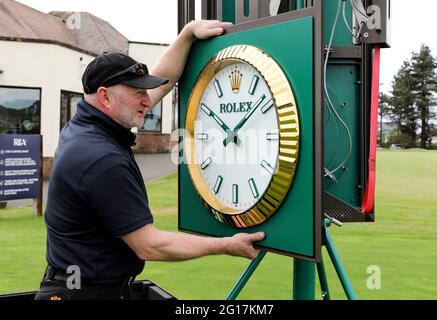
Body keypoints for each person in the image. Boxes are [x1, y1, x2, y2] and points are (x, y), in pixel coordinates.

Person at [35, 20, 265, 301]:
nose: (147, 100)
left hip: (82, 286)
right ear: (106, 97)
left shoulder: (90, 123)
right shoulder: (99, 159)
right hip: (87, 293)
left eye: (145, 91)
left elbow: (162, 81)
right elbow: (150, 246)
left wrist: (188, 33)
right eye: (138, 93)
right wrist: (226, 245)